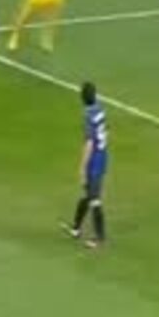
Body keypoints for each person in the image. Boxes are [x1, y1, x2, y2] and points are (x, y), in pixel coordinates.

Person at [64, 81, 109, 249]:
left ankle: (100, 237)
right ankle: (76, 228)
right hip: (103, 156)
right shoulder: (100, 109)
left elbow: (89, 143)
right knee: (88, 194)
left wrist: (82, 167)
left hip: (94, 162)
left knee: (94, 199)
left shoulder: (88, 116)